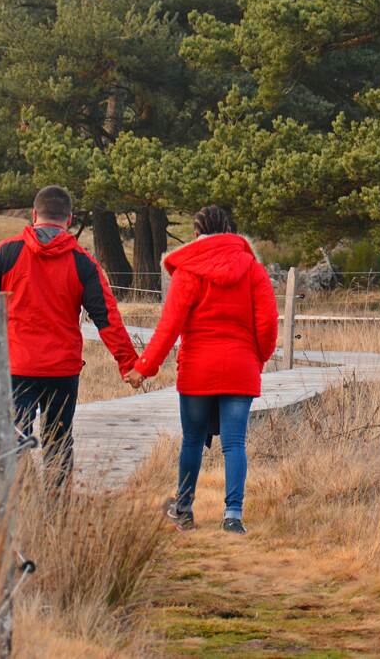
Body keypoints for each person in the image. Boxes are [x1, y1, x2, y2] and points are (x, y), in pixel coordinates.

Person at [125, 205, 278, 534]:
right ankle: (233, 515)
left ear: (196, 234)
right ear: (228, 231)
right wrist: (257, 358)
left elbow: (169, 326)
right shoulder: (252, 269)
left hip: (198, 369)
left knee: (192, 440)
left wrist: (144, 368)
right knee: (235, 443)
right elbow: (267, 324)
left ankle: (183, 509)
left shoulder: (189, 271)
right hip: (241, 366)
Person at [0, 185, 138, 489]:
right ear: (69, 219)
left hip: (16, 366)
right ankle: (58, 507)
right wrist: (128, 364)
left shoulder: (6, 252)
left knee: (15, 437)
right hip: (62, 370)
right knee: (59, 440)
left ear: (34, 215)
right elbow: (107, 318)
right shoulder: (83, 262)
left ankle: (20, 503)